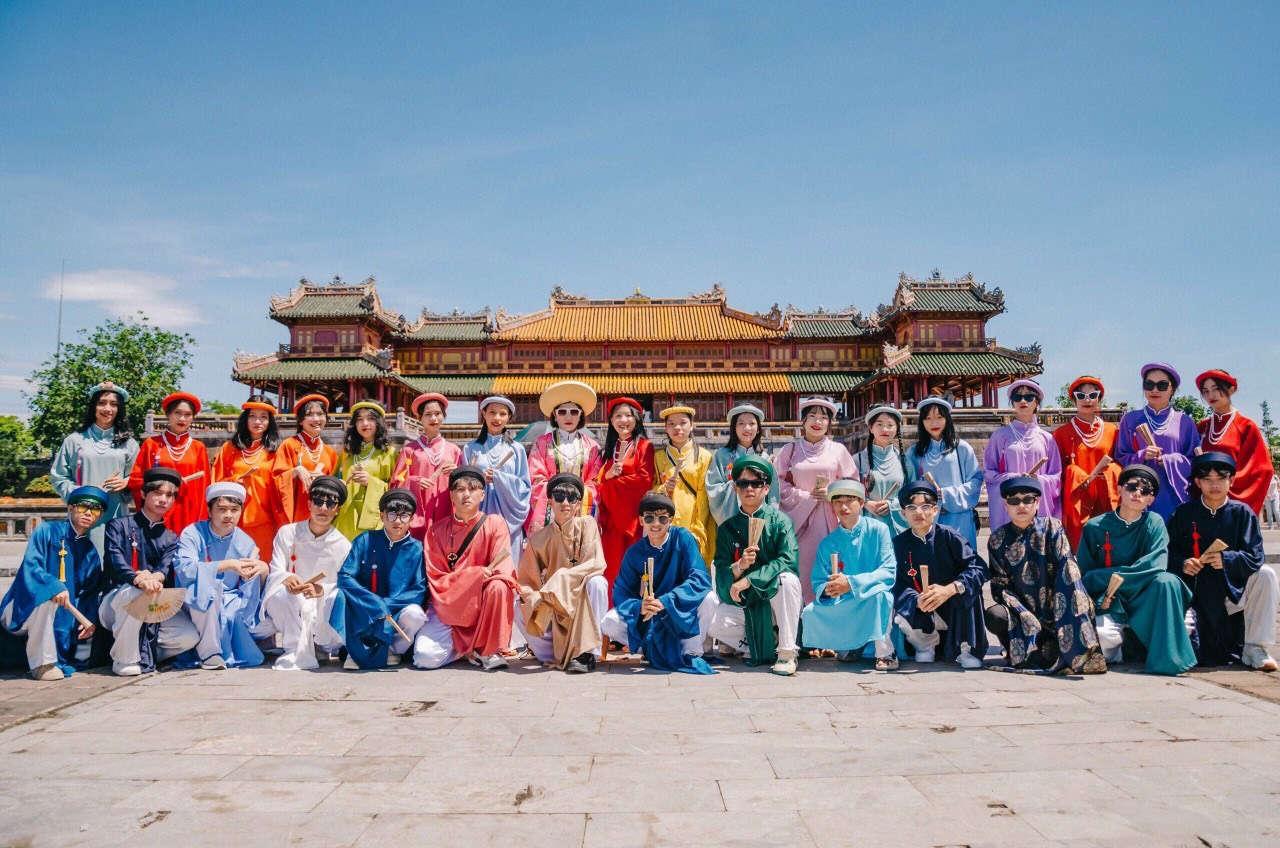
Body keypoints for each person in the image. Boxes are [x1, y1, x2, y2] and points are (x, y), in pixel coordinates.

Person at [1076, 465, 1197, 675]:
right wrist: (1100, 594)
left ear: (1151, 499)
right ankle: (1129, 650)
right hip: (1111, 601)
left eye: (1145, 491)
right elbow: (1084, 575)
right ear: (1119, 490)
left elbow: (1155, 566)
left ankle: (1163, 659)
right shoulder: (1095, 526)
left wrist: (1103, 576)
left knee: (1168, 584)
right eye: (1131, 487)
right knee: (1103, 639)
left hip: (1146, 598)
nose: (1137, 493)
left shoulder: (1154, 522)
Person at [984, 476, 1107, 675]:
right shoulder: (997, 539)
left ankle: (1071, 651)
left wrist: (1059, 605)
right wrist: (1024, 613)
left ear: (1037, 502)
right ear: (1005, 504)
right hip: (1021, 611)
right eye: (1014, 501)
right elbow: (1000, 586)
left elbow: (1067, 569)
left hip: (1057, 606)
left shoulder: (1053, 528)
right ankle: (1022, 652)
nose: (1021, 505)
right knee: (994, 616)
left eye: (1028, 499)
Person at [1167, 452, 1278, 670]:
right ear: (1198, 482)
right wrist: (1183, 563)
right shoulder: (1183, 513)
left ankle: (1255, 647)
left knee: (1266, 574)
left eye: (1220, 478)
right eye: (1207, 479)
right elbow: (1168, 552)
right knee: (1189, 646)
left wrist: (1227, 560)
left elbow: (1255, 555)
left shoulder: (1242, 513)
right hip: (1196, 592)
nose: (1214, 485)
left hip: (1232, 592)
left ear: (1231, 481)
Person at [704, 456, 802, 676]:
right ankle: (763, 645)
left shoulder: (780, 521)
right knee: (712, 623)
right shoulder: (727, 528)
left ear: (766, 489)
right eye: (743, 483)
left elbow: (788, 560)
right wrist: (739, 567)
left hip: (775, 600)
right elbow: (722, 573)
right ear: (735, 488)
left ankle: (787, 651)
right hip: (747, 603)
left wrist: (749, 579)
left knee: (787, 580)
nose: (749, 488)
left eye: (756, 483)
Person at [100, 467, 200, 676]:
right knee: (135, 593)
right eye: (157, 493)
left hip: (154, 599)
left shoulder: (171, 537)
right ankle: (124, 660)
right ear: (143, 494)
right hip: (117, 600)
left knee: (188, 636)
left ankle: (143, 654)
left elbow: (165, 568)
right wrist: (138, 579)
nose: (164, 499)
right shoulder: (118, 525)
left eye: (170, 495)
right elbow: (116, 562)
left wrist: (155, 578)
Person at [0, 487, 107, 680]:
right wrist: (54, 586)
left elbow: (90, 592)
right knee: (47, 596)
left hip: (62, 619)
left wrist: (89, 618)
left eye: (95, 509)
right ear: (71, 508)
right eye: (83, 507)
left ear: (100, 516)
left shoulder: (90, 551)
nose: (88, 513)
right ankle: (43, 664)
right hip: (22, 609)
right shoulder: (46, 531)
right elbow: (31, 567)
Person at [601, 492, 714, 674]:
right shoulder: (635, 552)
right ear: (641, 520)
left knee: (709, 599)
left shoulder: (683, 538)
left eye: (662, 518)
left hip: (679, 610)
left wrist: (666, 601)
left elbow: (700, 578)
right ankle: (648, 649)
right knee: (609, 622)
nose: (655, 523)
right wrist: (640, 606)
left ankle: (690, 651)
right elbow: (621, 592)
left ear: (671, 520)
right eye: (649, 518)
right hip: (650, 616)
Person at [418, 466, 518, 671]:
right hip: (448, 604)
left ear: (482, 495)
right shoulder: (436, 531)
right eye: (460, 489)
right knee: (424, 658)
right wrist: (475, 575)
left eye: (473, 489)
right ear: (451, 496)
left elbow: (502, 569)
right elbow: (437, 578)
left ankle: (488, 649)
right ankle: (467, 649)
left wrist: (478, 580)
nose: (466, 495)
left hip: (483, 604)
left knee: (500, 586)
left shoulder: (495, 524)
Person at [798, 479, 897, 670]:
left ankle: (885, 652)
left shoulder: (878, 530)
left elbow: (888, 571)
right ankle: (848, 645)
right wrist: (829, 589)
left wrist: (850, 583)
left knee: (881, 597)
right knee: (810, 612)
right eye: (837, 501)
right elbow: (818, 581)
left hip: (870, 595)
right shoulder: (828, 542)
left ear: (861, 502)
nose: (843, 507)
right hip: (843, 601)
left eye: (849, 500)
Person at [891, 480, 989, 669]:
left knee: (970, 590)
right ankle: (924, 646)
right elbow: (898, 583)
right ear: (903, 513)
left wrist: (950, 589)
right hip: (924, 608)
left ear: (935, 510)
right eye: (911, 507)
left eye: (925, 506)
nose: (919, 512)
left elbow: (978, 569)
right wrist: (916, 599)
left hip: (953, 604)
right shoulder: (899, 544)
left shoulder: (950, 536)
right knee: (902, 605)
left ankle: (967, 649)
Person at [174, 482, 270, 669]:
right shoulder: (192, 533)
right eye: (222, 509)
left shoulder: (245, 541)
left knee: (269, 614)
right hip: (195, 600)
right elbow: (186, 569)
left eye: (234, 510)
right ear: (209, 511)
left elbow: (250, 586)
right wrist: (228, 565)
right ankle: (209, 653)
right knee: (210, 586)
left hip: (232, 600)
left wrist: (262, 571)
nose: (229, 515)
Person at [518, 473, 609, 672]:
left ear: (578, 504)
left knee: (598, 583)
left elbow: (594, 563)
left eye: (571, 498)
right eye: (559, 497)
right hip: (555, 603)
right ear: (550, 501)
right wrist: (534, 597)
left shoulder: (587, 524)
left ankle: (588, 653)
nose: (565, 503)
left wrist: (561, 577)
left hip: (581, 596)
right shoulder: (538, 538)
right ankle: (551, 653)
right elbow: (526, 580)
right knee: (518, 604)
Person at [260, 475, 352, 670]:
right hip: (291, 601)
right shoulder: (288, 532)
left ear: (338, 509)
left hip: (321, 605)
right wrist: (287, 577)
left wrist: (321, 589)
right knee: (280, 594)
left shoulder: (343, 545)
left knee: (337, 598)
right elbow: (276, 568)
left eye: (330, 504)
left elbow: (345, 583)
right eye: (318, 501)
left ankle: (320, 645)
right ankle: (294, 649)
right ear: (309, 504)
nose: (323, 508)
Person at [330, 489, 428, 670]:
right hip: (364, 606)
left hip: (396, 608)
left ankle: (392, 650)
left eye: (404, 516)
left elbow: (419, 590)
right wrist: (373, 603)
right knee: (336, 596)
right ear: (382, 516)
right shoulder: (365, 539)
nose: (397, 521)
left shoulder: (417, 549)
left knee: (415, 615)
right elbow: (345, 576)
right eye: (392, 514)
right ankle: (353, 649)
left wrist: (385, 604)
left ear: (412, 519)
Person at [778, 397, 857, 607]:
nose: (817, 421)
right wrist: (805, 497)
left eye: (823, 417)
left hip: (831, 520)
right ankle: (802, 619)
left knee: (832, 570)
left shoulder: (838, 450)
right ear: (803, 420)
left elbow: (852, 483)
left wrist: (833, 494)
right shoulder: (790, 449)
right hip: (800, 521)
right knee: (803, 572)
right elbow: (777, 483)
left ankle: (830, 617)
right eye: (812, 416)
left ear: (829, 423)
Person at [49, 381, 138, 556]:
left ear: (120, 409)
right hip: (83, 514)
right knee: (81, 562)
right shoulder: (74, 441)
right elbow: (58, 477)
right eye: (102, 403)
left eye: (114, 404)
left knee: (114, 560)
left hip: (115, 512)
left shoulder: (129, 444)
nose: (107, 409)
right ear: (93, 407)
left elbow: (139, 477)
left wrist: (126, 482)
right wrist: (82, 492)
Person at [1116, 363, 1201, 522]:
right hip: (1139, 495)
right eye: (1149, 385)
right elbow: (1120, 456)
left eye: (1162, 385)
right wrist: (1141, 456)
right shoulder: (1131, 419)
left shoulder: (1185, 422)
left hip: (1175, 494)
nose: (1154, 390)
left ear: (1172, 389)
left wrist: (1171, 461)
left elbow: (1196, 461)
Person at [525, 380, 603, 537]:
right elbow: (536, 477)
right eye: (562, 412)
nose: (568, 416)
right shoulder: (541, 443)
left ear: (580, 415)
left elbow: (596, 481)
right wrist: (558, 498)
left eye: (574, 412)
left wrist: (576, 498)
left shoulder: (592, 446)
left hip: (580, 506)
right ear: (554, 415)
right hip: (551, 505)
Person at [1054, 376, 1122, 551]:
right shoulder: (1061, 433)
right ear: (1074, 399)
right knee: (1081, 548)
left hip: (1107, 496)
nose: (1087, 400)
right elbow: (1057, 470)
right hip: (1079, 499)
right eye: (1081, 395)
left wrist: (1111, 471)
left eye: (1093, 395)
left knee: (1109, 546)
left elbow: (1121, 462)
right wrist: (1076, 475)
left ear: (1099, 399)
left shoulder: (1112, 431)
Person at [983, 380, 1062, 530]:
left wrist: (1038, 479)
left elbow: (1056, 477)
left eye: (1029, 397)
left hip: (1038, 503)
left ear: (1037, 402)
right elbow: (989, 474)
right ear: (1012, 402)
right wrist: (1012, 479)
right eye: (1017, 397)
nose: (1023, 401)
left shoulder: (1047, 439)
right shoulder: (999, 436)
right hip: (1011, 504)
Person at [1195, 369, 1275, 516]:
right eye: (1205, 391)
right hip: (1204, 501)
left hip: (1233, 504)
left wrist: (1223, 484)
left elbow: (1261, 469)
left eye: (1216, 389)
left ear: (1231, 389)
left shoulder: (1246, 426)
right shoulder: (1202, 426)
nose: (1210, 395)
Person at [211, 396, 283, 559]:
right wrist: (233, 481)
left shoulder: (277, 450)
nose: (258, 421)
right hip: (232, 517)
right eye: (252, 416)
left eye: (263, 417)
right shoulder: (229, 448)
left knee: (261, 564)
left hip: (265, 519)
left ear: (270, 421)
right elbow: (216, 481)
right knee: (232, 564)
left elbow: (283, 484)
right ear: (245, 419)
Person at [596, 397, 656, 594]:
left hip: (632, 519)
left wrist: (608, 484)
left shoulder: (644, 447)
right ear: (611, 421)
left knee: (635, 569)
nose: (623, 420)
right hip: (611, 521)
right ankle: (611, 608)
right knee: (612, 568)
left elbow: (644, 481)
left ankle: (634, 609)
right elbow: (597, 483)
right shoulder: (607, 451)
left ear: (637, 419)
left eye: (628, 415)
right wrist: (607, 477)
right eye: (618, 416)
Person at [462, 395, 531, 562]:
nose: (497, 418)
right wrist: (479, 480)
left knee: (507, 566)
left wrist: (500, 478)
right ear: (484, 414)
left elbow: (525, 487)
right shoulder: (470, 448)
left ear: (509, 417)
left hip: (508, 518)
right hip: (478, 515)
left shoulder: (517, 449)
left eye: (502, 413)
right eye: (492, 412)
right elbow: (462, 484)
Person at [127, 392, 209, 533]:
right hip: (159, 508)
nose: (182, 419)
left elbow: (204, 487)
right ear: (168, 414)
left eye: (188, 414)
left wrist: (201, 519)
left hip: (188, 509)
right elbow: (135, 480)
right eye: (177, 413)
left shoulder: (198, 448)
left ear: (193, 417)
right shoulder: (151, 444)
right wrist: (160, 485)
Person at [910, 397, 983, 549]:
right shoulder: (914, 452)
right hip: (927, 518)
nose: (934, 423)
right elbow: (910, 485)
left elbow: (976, 480)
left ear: (947, 419)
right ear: (922, 422)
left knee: (961, 557)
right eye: (928, 418)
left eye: (939, 417)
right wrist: (928, 502)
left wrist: (946, 495)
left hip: (959, 518)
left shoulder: (961, 448)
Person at [391, 392, 462, 542]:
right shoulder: (409, 450)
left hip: (445, 508)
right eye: (428, 414)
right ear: (420, 418)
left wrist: (456, 473)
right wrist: (413, 482)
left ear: (443, 416)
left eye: (438, 413)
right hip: (418, 511)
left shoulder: (454, 450)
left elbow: (464, 484)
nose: (433, 418)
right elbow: (395, 484)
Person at [705, 404, 780, 538]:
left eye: (752, 423)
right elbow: (714, 490)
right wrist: (738, 485)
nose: (747, 428)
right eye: (741, 423)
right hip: (731, 524)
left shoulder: (764, 458)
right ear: (734, 428)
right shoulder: (722, 455)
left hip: (758, 523)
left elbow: (771, 495)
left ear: (758, 429)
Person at [653, 405, 713, 565]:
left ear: (692, 425)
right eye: (671, 424)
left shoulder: (704, 457)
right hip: (665, 523)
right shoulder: (659, 457)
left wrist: (698, 531)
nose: (677, 427)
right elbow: (651, 490)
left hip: (693, 522)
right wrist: (663, 488)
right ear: (666, 428)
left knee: (692, 569)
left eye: (683, 423)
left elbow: (704, 498)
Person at [334, 400, 399, 541]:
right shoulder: (347, 452)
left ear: (379, 422)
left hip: (374, 519)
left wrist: (372, 482)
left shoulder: (389, 453)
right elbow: (335, 479)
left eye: (370, 419)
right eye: (359, 419)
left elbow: (397, 488)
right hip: (345, 517)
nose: (365, 423)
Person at [272, 394, 339, 525]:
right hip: (296, 514)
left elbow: (337, 486)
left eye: (320, 414)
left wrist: (324, 480)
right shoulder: (289, 445)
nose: (316, 419)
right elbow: (275, 480)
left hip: (322, 516)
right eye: (309, 414)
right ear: (300, 420)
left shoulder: (329, 452)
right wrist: (295, 471)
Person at [853, 405, 915, 540]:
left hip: (898, 530)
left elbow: (913, 495)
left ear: (897, 428)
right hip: (867, 527)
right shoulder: (857, 460)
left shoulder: (906, 462)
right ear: (871, 428)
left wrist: (892, 505)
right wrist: (866, 503)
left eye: (890, 425)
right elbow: (849, 493)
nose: (885, 429)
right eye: (879, 424)